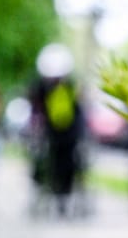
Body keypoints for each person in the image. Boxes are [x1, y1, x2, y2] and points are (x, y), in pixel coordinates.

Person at [26, 43, 86, 217]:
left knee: (66, 165)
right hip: (52, 135)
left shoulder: (68, 87)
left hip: (66, 136)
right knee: (43, 163)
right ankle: (48, 192)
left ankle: (61, 198)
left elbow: (78, 112)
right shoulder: (42, 87)